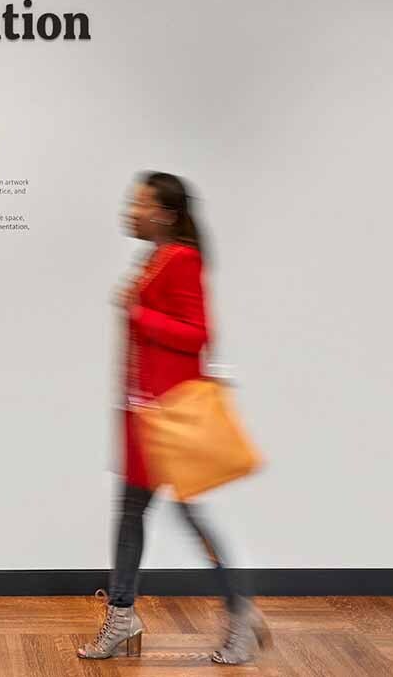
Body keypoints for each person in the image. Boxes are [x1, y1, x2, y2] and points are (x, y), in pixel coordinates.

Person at [77, 171, 270, 665]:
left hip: (170, 419)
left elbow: (197, 334)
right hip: (145, 416)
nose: (129, 211)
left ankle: (238, 613)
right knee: (130, 517)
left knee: (183, 515)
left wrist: (137, 313)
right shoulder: (155, 259)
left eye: (138, 203)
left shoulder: (181, 259)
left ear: (163, 212)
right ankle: (123, 617)